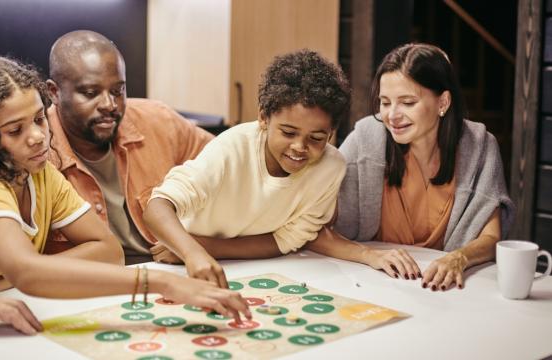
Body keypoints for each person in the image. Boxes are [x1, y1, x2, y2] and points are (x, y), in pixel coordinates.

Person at [0, 56, 250, 324]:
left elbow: (110, 252)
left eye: (40, 119)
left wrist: (10, 275)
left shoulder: (41, 174)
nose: (38, 136)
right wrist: (161, 282)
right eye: (15, 130)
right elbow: (28, 273)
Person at [311, 43, 515, 291]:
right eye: (385, 103)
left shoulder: (479, 146)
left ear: (443, 102)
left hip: (443, 289)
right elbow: (312, 228)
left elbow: (491, 238)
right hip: (370, 282)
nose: (392, 116)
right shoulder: (366, 139)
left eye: (407, 102)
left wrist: (457, 258)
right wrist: (369, 255)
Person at [144, 49, 351, 288]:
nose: (299, 147)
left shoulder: (331, 167)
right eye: (288, 132)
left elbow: (286, 241)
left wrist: (206, 248)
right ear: (264, 118)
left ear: (331, 133)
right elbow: (157, 207)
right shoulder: (232, 148)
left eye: (316, 138)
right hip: (183, 262)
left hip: (249, 265)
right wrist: (192, 252)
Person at [45, 30, 214, 264]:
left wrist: (198, 245)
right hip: (88, 282)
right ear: (54, 92)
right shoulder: (36, 150)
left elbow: (231, 165)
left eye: (118, 91)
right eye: (91, 93)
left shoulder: (158, 120)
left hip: (170, 267)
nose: (109, 105)